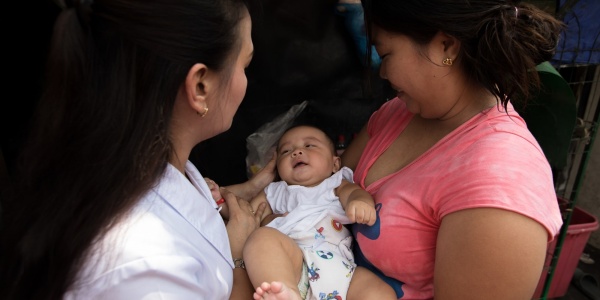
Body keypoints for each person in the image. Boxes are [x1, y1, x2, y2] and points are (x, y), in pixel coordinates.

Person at [0, 0, 276, 299]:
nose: (245, 81)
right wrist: (237, 259)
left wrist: (249, 188)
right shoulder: (145, 269)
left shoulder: (131, 160)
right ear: (200, 86)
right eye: (244, 65)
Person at [339, 1, 566, 299]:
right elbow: (333, 181)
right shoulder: (398, 113)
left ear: (446, 46)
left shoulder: (501, 180)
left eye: (386, 54)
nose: (382, 73)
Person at [210, 125, 396, 300]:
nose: (297, 152)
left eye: (309, 145)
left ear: (335, 164)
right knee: (261, 239)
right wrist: (221, 200)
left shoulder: (337, 183)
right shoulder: (275, 192)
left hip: (341, 270)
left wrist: (359, 201)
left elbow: (353, 193)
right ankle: (286, 292)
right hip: (292, 266)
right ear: (278, 169)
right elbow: (247, 213)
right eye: (286, 151)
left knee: (380, 292)